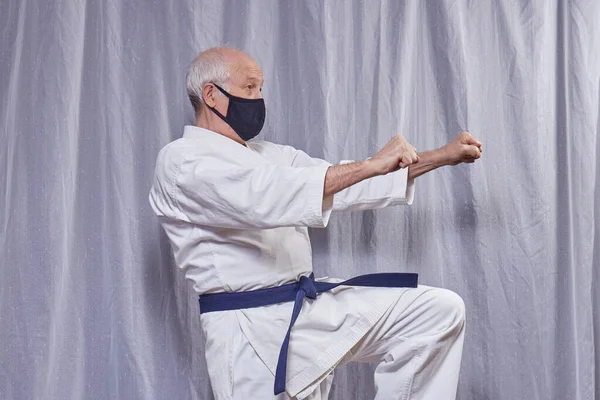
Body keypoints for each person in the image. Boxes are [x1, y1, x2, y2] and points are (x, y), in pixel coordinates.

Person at [149, 47, 482, 400]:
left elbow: (345, 184)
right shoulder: (180, 162)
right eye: (249, 88)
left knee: (435, 313)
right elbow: (266, 197)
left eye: (261, 89)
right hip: (248, 331)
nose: (259, 99)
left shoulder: (270, 155)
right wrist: (371, 163)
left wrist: (441, 156)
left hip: (309, 309)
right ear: (211, 94)